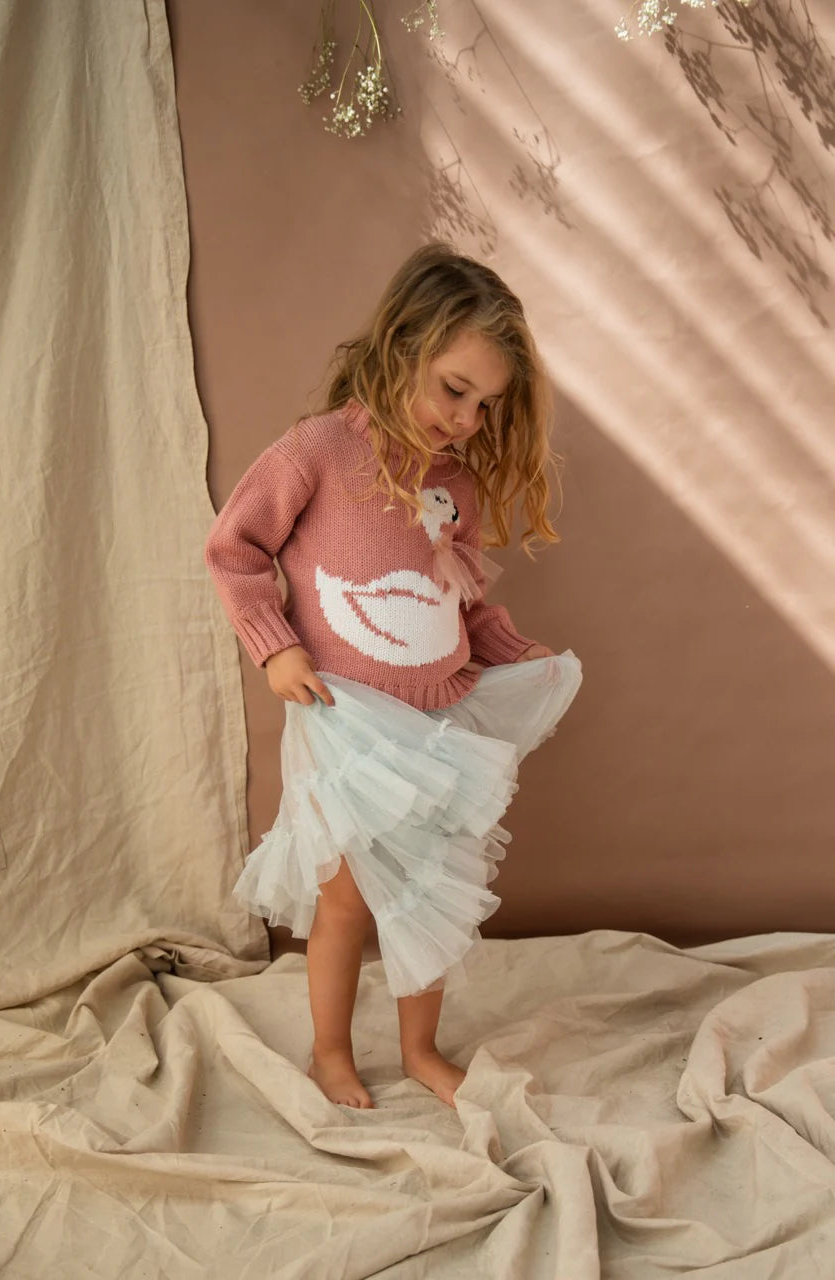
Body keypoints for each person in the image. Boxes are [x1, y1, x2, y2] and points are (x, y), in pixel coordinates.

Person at [204, 241, 582, 1112]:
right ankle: (330, 1054)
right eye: (455, 389)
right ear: (399, 346)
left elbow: (454, 596)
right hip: (348, 719)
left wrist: (502, 644)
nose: (466, 419)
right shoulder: (319, 452)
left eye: (486, 405)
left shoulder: (453, 485)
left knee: (424, 898)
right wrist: (273, 641)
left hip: (439, 724)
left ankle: (419, 1049)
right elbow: (236, 547)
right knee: (346, 903)